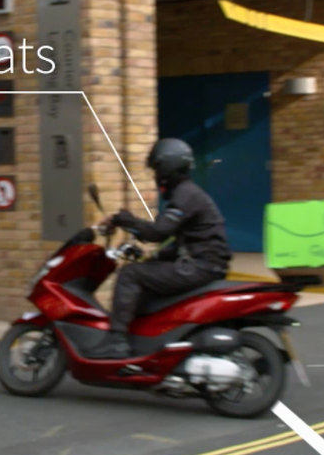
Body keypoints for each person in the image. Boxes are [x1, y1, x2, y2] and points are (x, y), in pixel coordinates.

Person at [92, 137, 233, 359]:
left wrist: (124, 219)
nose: (156, 176)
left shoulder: (185, 195)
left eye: (157, 168)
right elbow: (186, 240)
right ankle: (146, 339)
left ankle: (117, 341)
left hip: (201, 266)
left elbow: (158, 232)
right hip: (204, 263)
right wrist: (154, 256)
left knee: (130, 275)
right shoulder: (187, 193)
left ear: (167, 167)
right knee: (147, 270)